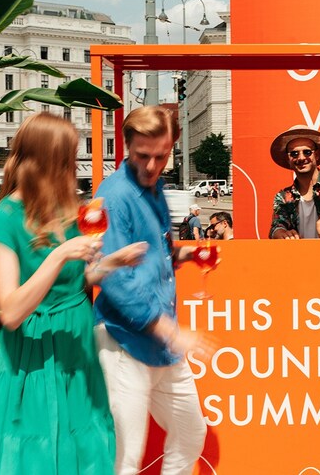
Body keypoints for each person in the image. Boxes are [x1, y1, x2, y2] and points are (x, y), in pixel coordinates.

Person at [0, 113, 146, 474]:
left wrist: (112, 263)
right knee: (35, 458)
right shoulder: (4, 220)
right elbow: (11, 312)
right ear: (47, 161)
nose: (72, 168)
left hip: (76, 357)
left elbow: (79, 279)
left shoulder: (66, 213)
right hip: (33, 361)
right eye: (68, 159)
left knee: (84, 454)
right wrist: (60, 254)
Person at [93, 106, 214, 475]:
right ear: (126, 146)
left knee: (192, 431)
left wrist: (187, 253)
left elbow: (153, 252)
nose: (150, 166)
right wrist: (170, 331)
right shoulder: (112, 195)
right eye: (142, 156)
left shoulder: (155, 187)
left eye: (160, 156)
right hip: (124, 341)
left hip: (159, 341)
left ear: (173, 146)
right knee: (125, 458)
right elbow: (110, 277)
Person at [269, 125, 320, 239]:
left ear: (316, 155)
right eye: (294, 153)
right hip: (298, 255)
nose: (301, 158)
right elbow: (277, 226)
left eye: (307, 152)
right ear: (288, 159)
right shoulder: (283, 196)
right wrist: (281, 234)